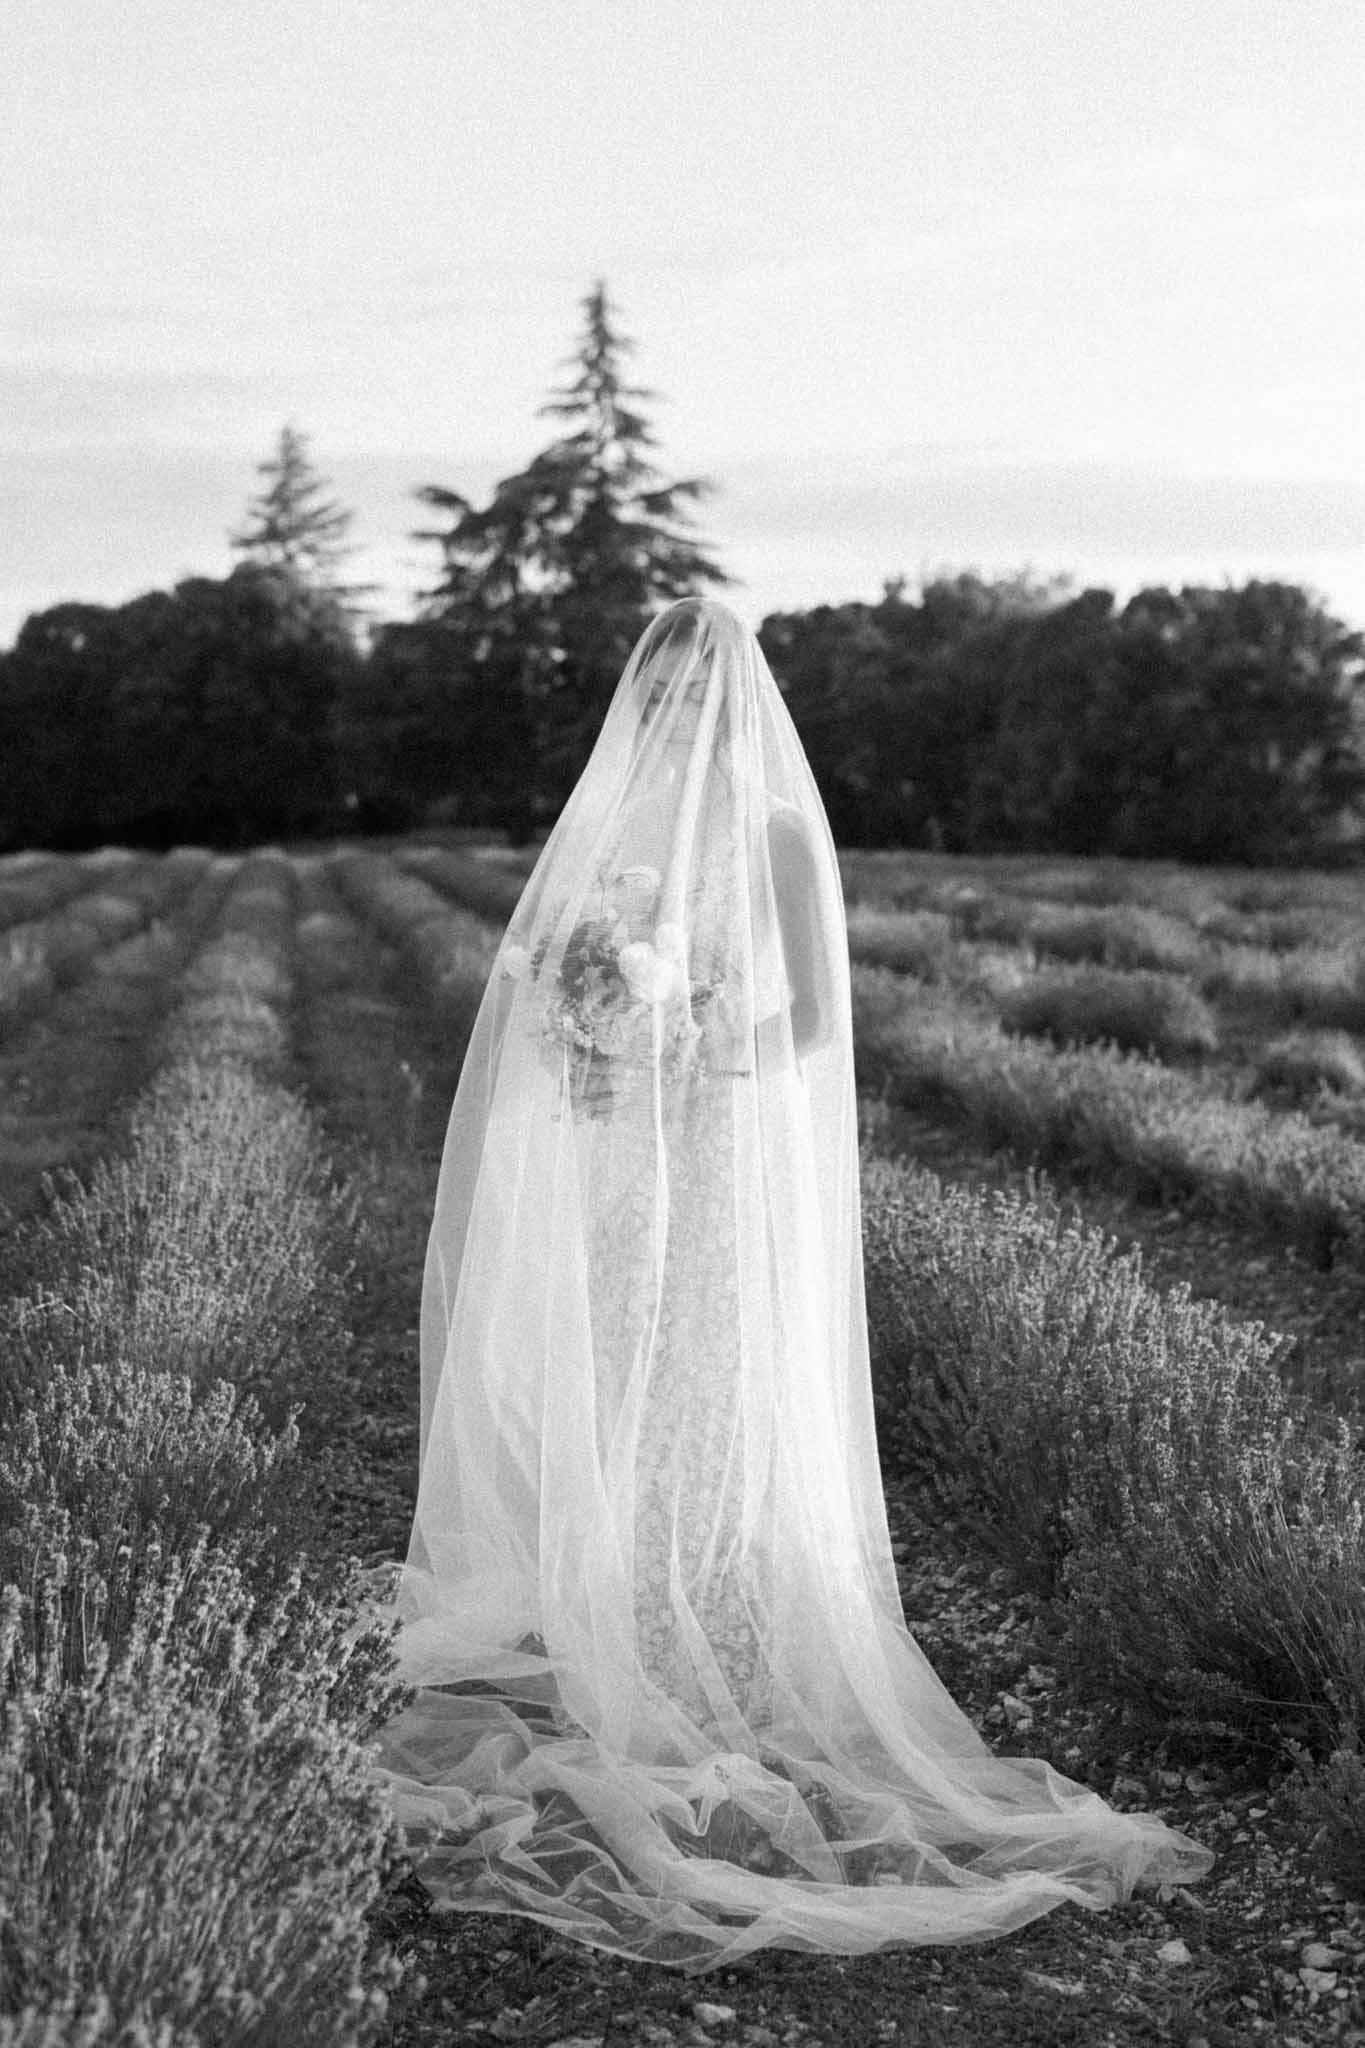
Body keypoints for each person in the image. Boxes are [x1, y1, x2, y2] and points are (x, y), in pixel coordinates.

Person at [365, 595, 1214, 1971]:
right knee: (621, 1367)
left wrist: (699, 1045)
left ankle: (716, 1632)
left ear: (729, 701)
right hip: (621, 1154)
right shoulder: (620, 836)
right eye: (662, 695)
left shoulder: (766, 832)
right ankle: (620, 1615)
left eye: (696, 695)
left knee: (709, 1376)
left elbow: (815, 1019)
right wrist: (601, 1027)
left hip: (719, 1150)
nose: (675, 716)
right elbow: (543, 984)